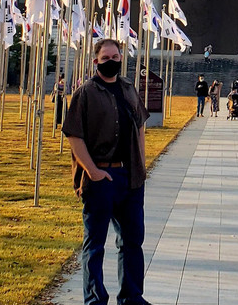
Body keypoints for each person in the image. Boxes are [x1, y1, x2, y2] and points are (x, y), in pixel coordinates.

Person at [63, 38, 150, 305]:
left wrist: (141, 166)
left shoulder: (127, 88)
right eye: (106, 58)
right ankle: (95, 299)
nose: (111, 62)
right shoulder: (86, 93)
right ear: (95, 61)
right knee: (95, 245)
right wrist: (92, 171)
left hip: (130, 179)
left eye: (115, 58)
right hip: (100, 177)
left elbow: (140, 127)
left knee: (132, 242)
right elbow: (74, 136)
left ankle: (132, 297)